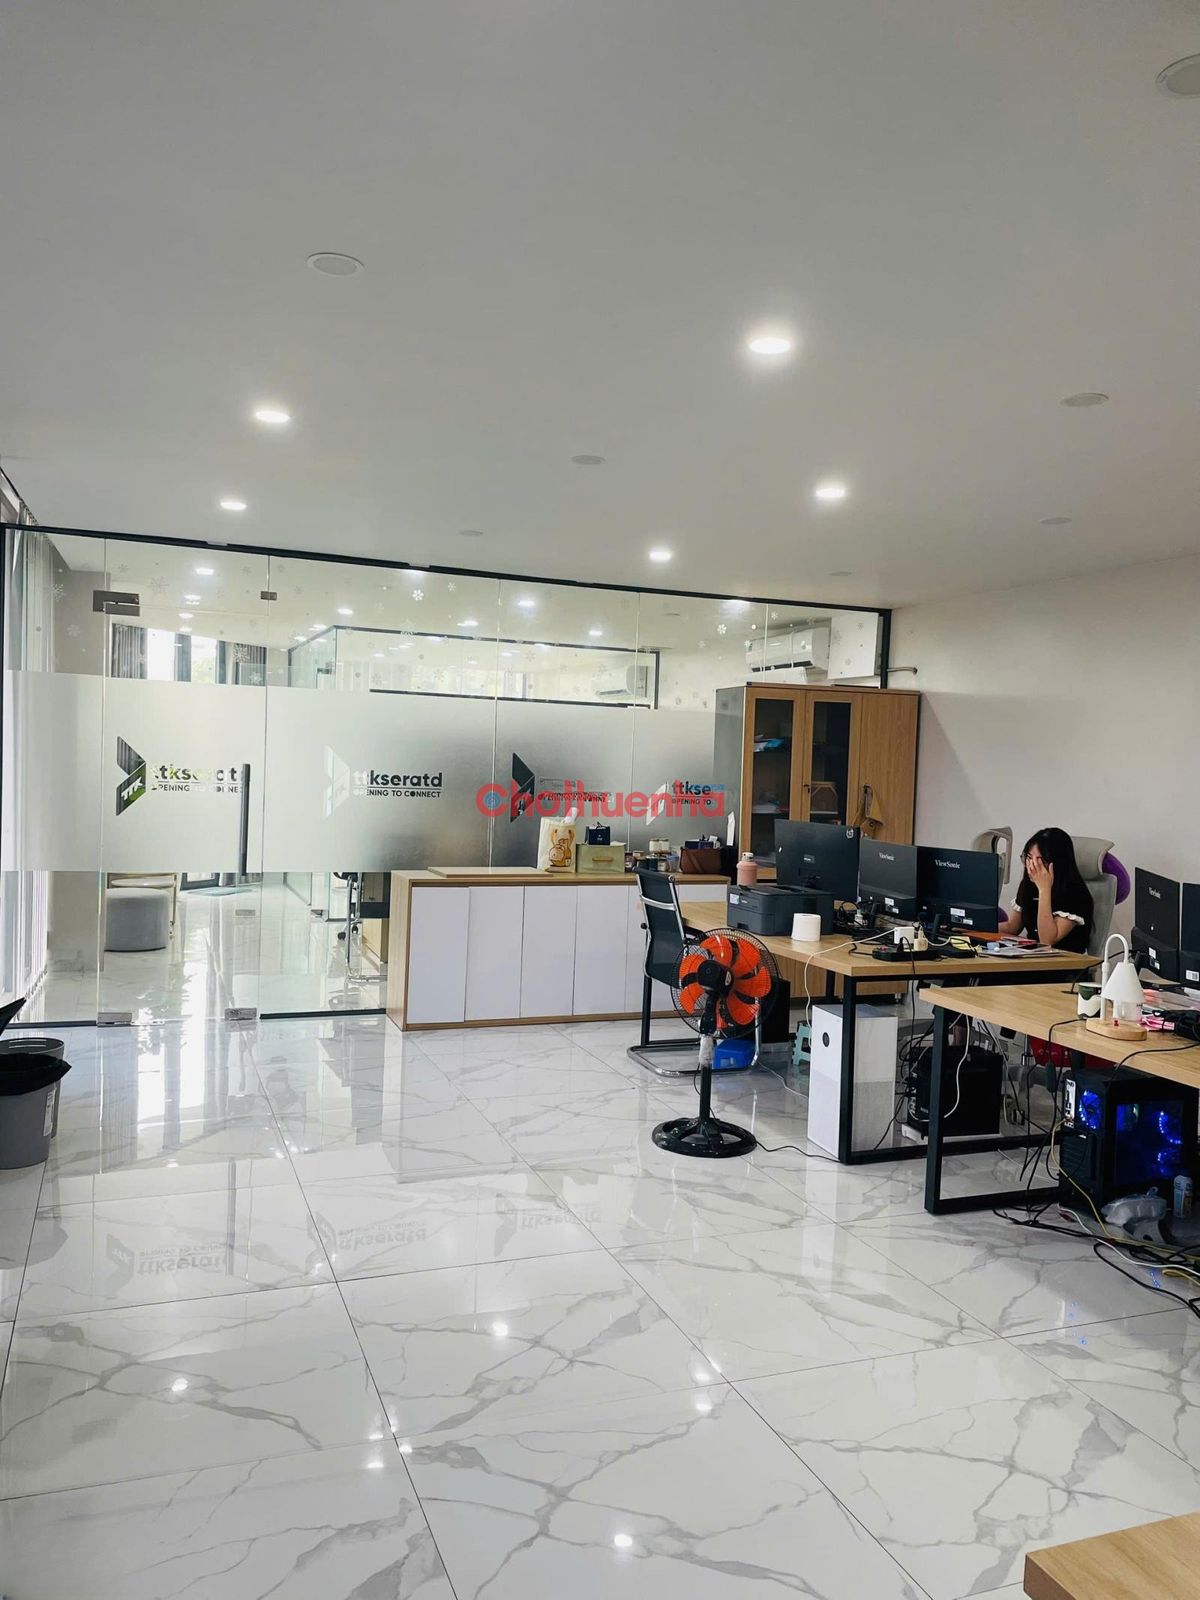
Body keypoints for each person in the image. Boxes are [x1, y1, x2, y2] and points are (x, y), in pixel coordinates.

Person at [999, 827, 1094, 952]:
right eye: (1029, 858)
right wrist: (976, 926)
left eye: (1040, 861)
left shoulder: (1075, 893)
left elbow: (1047, 940)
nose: (1032, 866)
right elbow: (1012, 927)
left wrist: (1044, 889)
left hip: (1065, 960)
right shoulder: (1029, 884)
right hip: (1034, 956)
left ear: (1058, 864)